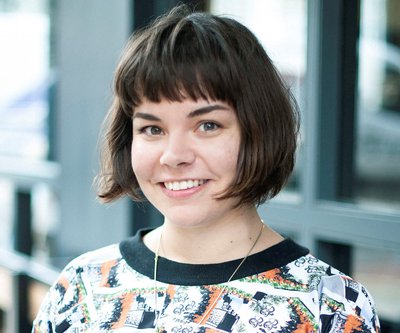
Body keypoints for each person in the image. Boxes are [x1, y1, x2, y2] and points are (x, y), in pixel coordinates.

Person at [32, 5, 380, 333]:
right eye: (153, 129)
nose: (174, 155)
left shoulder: (332, 307)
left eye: (208, 125)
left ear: (259, 129)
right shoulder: (82, 289)